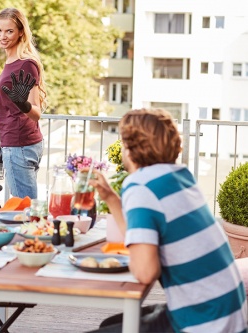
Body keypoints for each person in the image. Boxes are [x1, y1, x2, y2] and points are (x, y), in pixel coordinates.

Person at [89, 108, 247, 333]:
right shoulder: (180, 177)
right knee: (112, 325)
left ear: (131, 148)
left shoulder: (140, 185)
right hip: (227, 313)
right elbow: (140, 236)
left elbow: (145, 271)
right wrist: (111, 199)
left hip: (203, 322)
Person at [0, 7, 47, 199]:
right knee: (23, 206)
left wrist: (22, 104)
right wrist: (0, 106)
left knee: (24, 208)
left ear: (20, 33)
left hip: (20, 145)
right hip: (19, 142)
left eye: (9, 31)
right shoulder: (11, 60)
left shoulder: (26, 63)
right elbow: (13, 97)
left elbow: (36, 112)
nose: (2, 36)